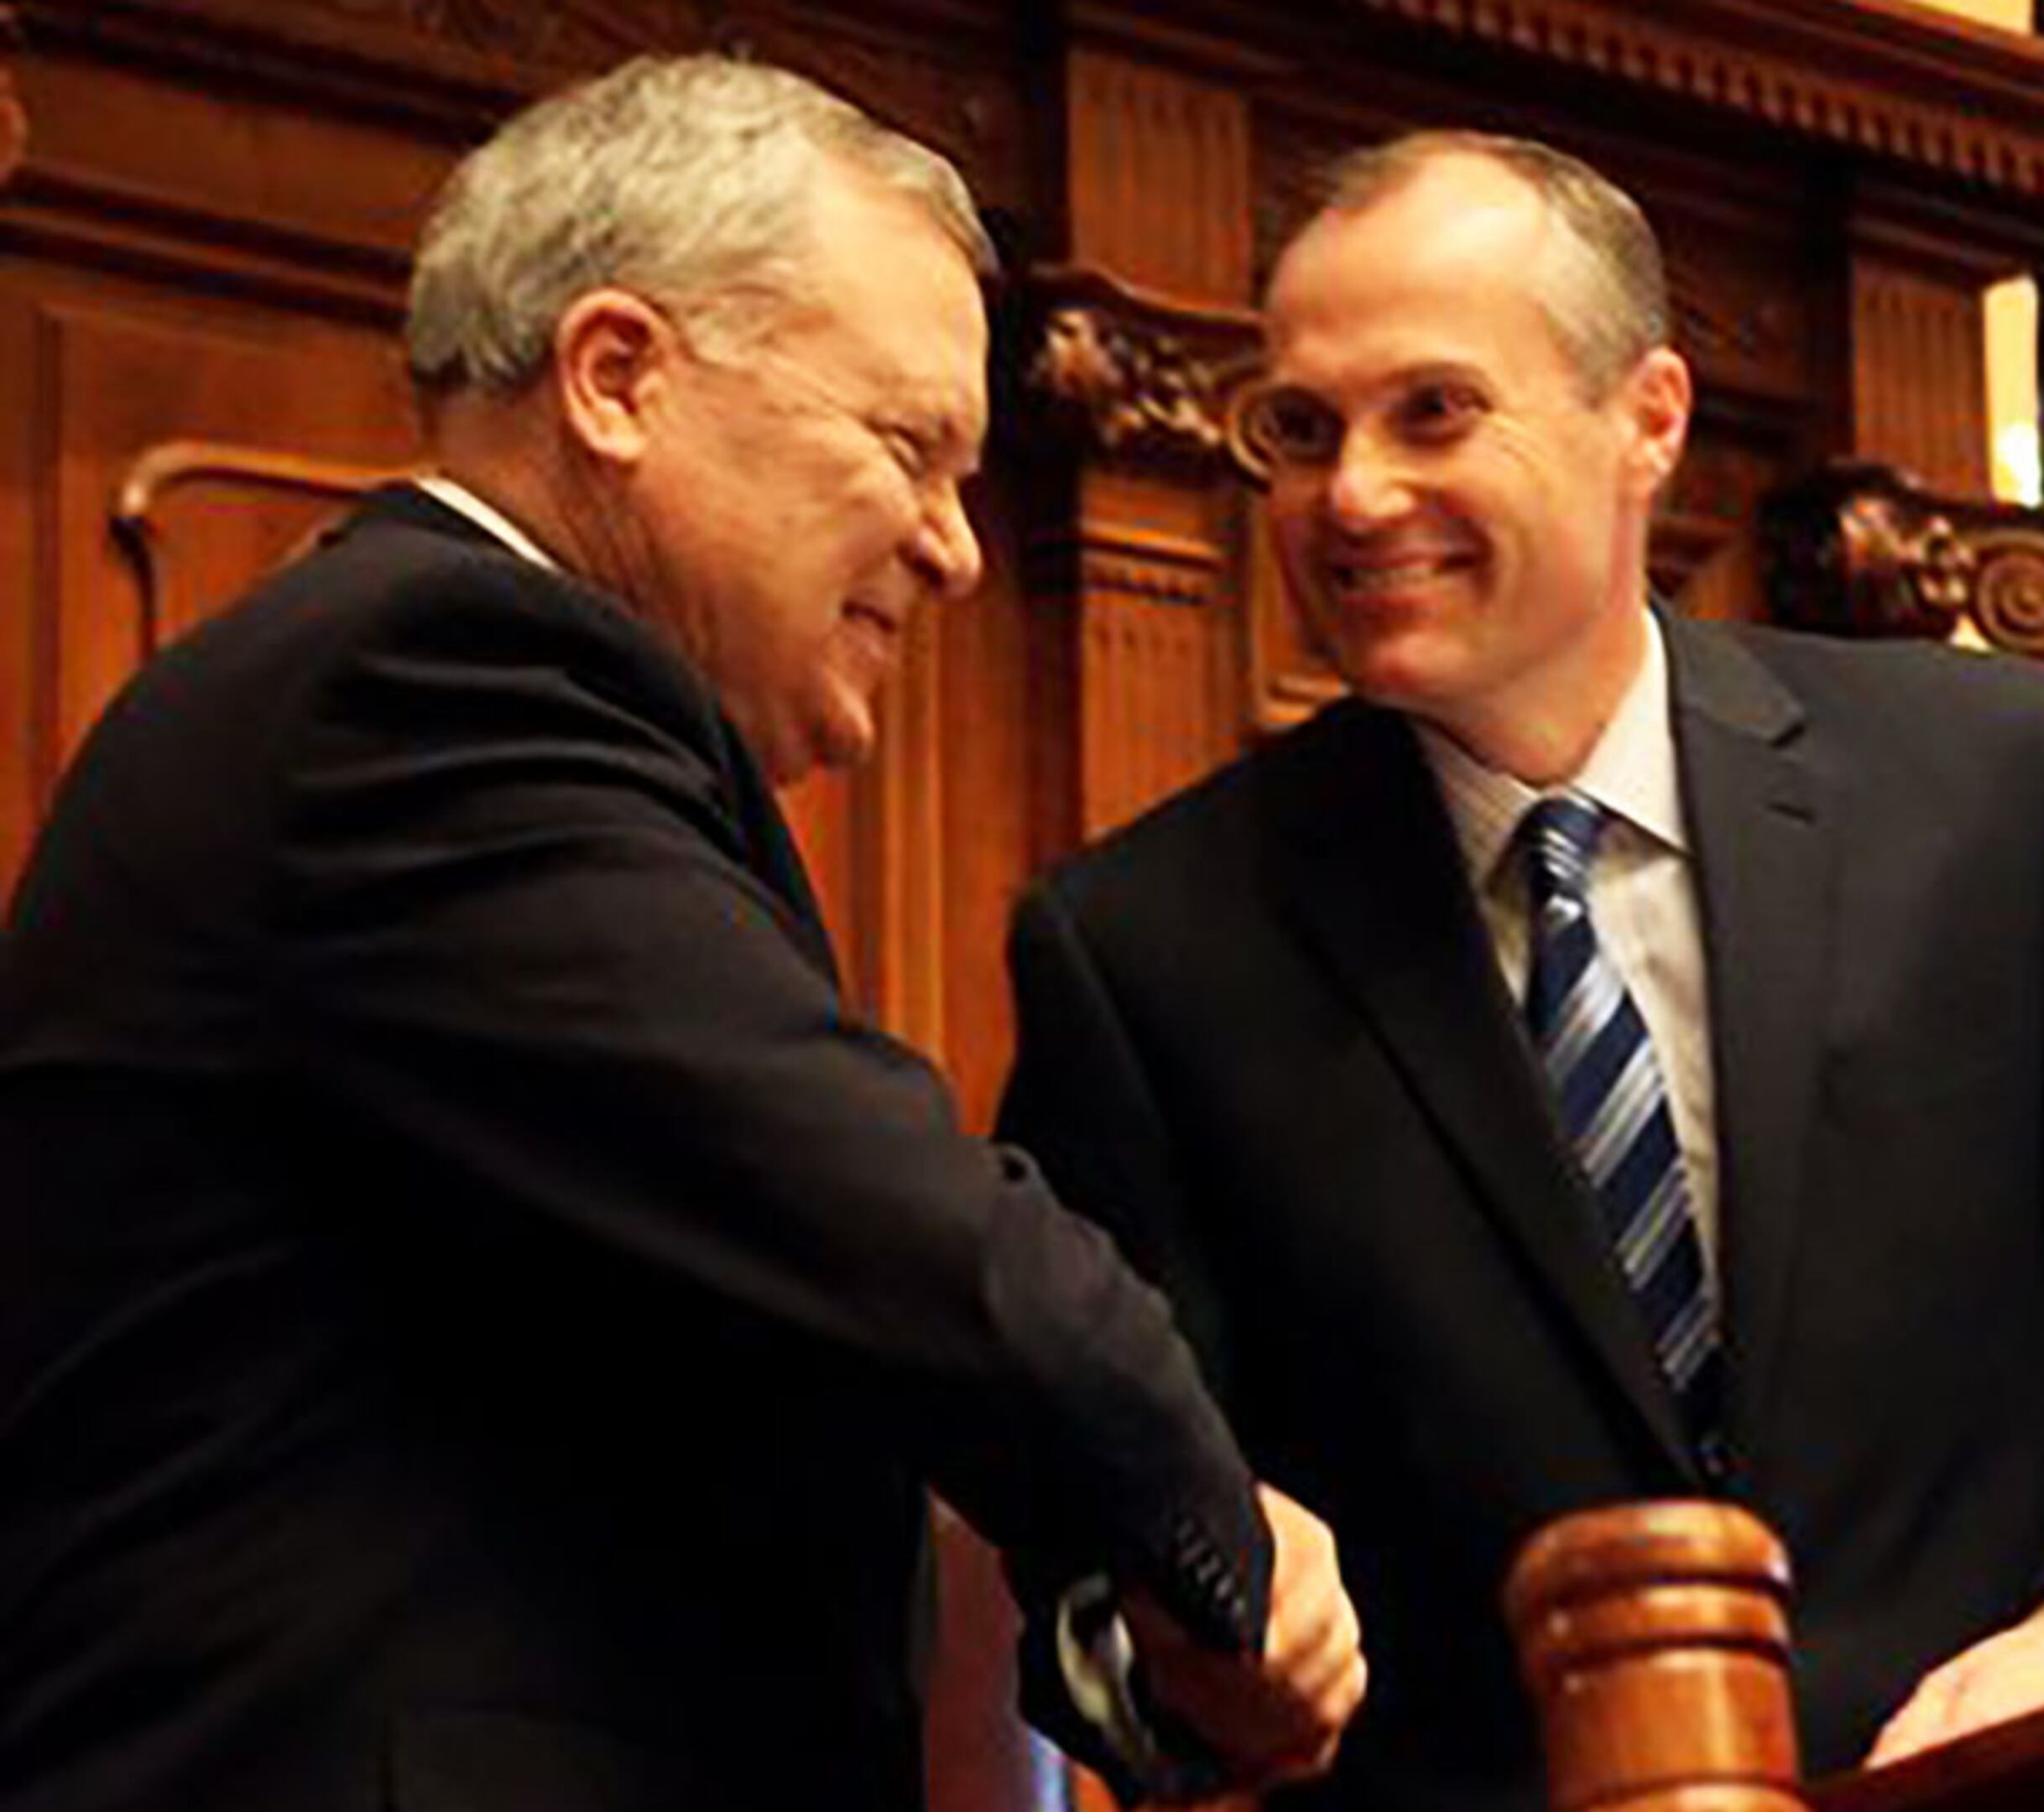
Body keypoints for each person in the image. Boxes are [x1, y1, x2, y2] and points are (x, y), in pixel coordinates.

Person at [0, 55, 1361, 1812]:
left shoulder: (473, 721)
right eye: (910, 447)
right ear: (619, 378)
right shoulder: (419, 684)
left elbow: (783, 1360)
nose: (954, 548)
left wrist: (1131, 1622)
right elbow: (897, 1232)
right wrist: (1218, 1536)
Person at [994, 130, 2044, 1811]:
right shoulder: (1147, 948)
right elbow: (1104, 1559)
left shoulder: (1993, 789)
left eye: (1434, 409)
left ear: (1646, 417)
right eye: (1299, 430)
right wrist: (1197, 1652)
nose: (1351, 497)